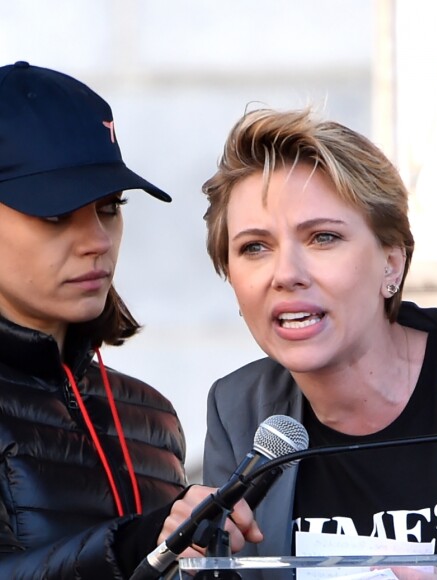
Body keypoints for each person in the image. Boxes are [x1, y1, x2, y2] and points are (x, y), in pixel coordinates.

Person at [200, 107, 437, 580]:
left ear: (392, 265)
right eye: (254, 247)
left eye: (322, 237)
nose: (286, 274)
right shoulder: (240, 412)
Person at [0, 61, 259, 579]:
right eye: (55, 214)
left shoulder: (152, 416)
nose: (97, 240)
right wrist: (137, 543)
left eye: (110, 207)